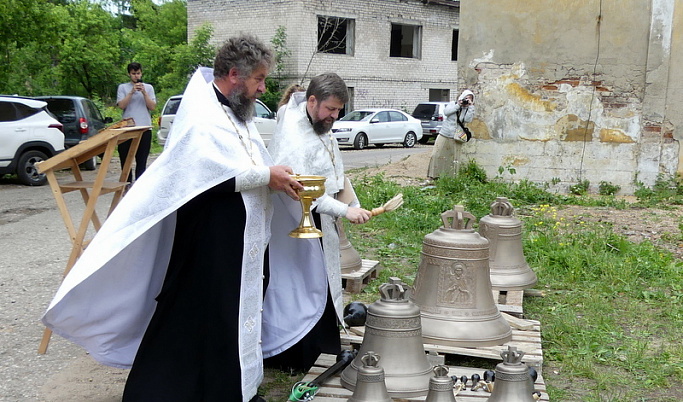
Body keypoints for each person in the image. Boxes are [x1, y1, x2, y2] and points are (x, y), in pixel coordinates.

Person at [42, 34, 303, 402]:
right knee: (206, 319)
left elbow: (243, 168)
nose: (262, 88)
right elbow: (197, 176)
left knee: (232, 319)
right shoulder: (202, 116)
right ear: (234, 74)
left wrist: (274, 176)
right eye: (258, 79)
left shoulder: (236, 112)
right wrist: (265, 176)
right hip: (209, 241)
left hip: (240, 241)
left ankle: (236, 389)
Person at [263, 72, 373, 372]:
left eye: (338, 110)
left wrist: (352, 203)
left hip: (319, 219)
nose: (334, 117)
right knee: (298, 285)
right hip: (293, 223)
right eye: (330, 109)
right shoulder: (293, 135)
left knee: (319, 282)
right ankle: (291, 354)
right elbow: (301, 189)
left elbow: (334, 168)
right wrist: (343, 211)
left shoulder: (320, 125)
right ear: (312, 101)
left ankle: (322, 346)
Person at [116, 62, 156, 183]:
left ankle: (140, 186)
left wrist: (144, 93)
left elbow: (152, 107)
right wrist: (131, 92)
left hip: (144, 128)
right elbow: (121, 106)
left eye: (138, 73)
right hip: (127, 129)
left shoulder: (149, 88)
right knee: (125, 160)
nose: (136, 76)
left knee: (142, 160)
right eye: (133, 74)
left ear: (141, 73)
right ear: (129, 74)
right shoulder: (123, 88)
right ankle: (126, 185)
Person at [427, 89, 475, 179]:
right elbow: (446, 112)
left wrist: (470, 107)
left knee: (454, 158)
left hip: (457, 136)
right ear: (462, 97)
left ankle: (451, 178)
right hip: (445, 133)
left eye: (470, 98)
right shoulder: (453, 104)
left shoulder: (468, 109)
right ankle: (433, 176)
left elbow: (467, 120)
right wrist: (458, 105)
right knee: (436, 154)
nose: (467, 100)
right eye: (466, 97)